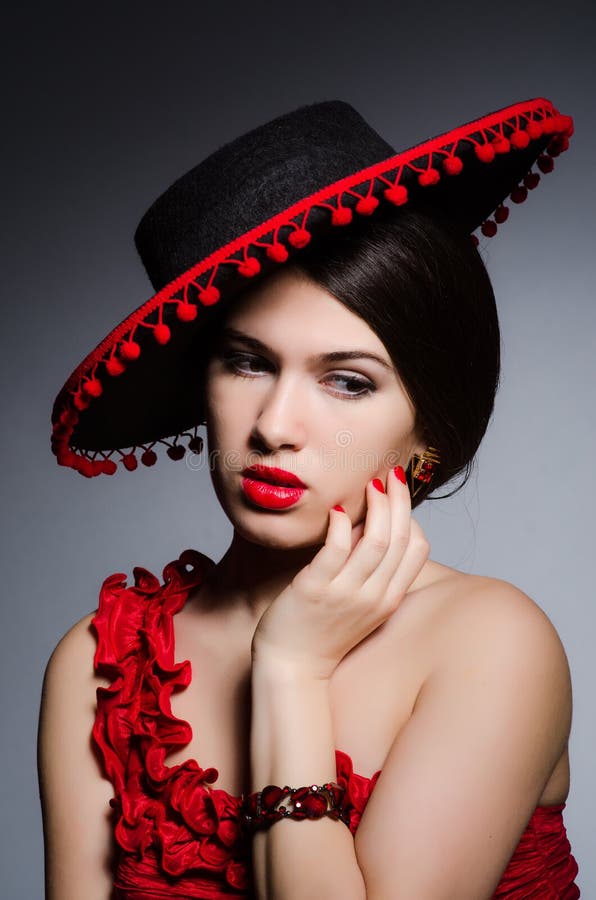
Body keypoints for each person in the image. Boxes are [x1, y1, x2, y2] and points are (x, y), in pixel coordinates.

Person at [38, 98, 580, 898]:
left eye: (347, 381)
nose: (275, 426)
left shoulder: (492, 644)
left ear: (427, 429)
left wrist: (290, 670)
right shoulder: (105, 666)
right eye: (247, 362)